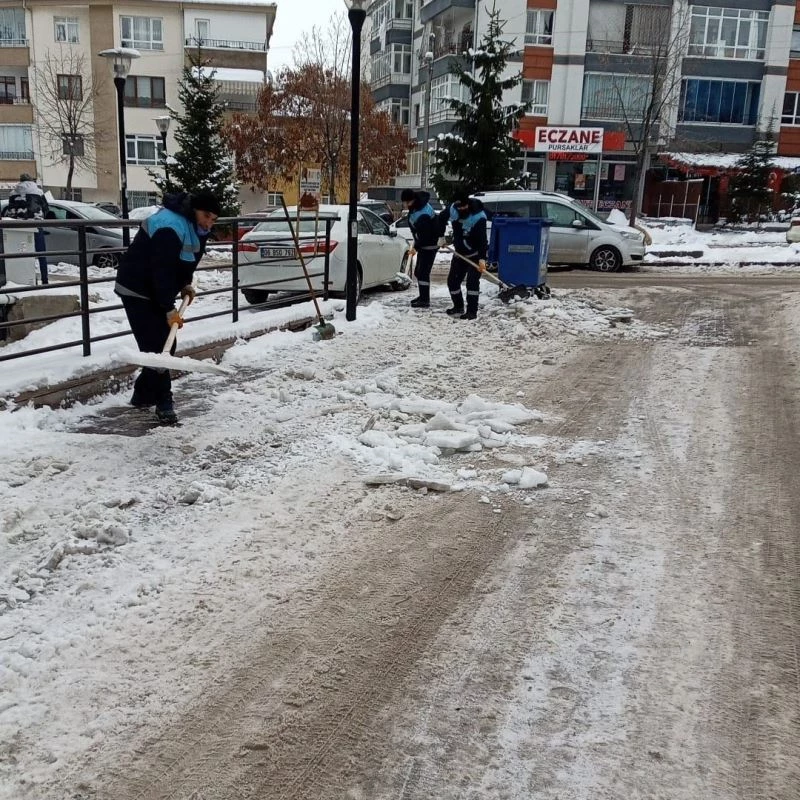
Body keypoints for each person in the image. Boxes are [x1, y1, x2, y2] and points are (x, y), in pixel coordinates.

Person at [115, 191, 221, 425]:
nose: (208, 222)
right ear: (195, 210)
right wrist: (168, 308)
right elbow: (160, 270)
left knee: (165, 346)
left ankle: (142, 395)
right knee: (159, 348)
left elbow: (183, 261)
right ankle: (164, 403)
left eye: (213, 219)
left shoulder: (196, 227)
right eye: (206, 216)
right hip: (137, 289)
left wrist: (184, 284)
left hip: (156, 289)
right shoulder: (169, 226)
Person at [438, 193, 488, 320]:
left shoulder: (478, 217)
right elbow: (441, 219)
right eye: (458, 207)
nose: (460, 210)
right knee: (452, 282)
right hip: (460, 254)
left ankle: (472, 311)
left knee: (472, 282)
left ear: (468, 205)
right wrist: (441, 236)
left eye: (463, 207)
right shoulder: (453, 210)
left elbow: (482, 240)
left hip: (475, 255)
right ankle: (458, 306)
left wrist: (482, 259)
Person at [2, 173, 49, 284]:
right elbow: (46, 208)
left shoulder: (13, 193)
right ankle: (45, 280)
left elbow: (10, 210)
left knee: (21, 254)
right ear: (31, 180)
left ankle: (20, 280)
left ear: (20, 180)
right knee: (41, 253)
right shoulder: (38, 192)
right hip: (36, 224)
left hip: (19, 226)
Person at [400, 188, 441, 308]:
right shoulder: (417, 205)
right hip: (424, 243)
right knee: (419, 272)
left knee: (423, 273)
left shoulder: (422, 213)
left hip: (429, 245)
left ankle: (424, 300)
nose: (405, 205)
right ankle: (423, 296)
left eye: (406, 203)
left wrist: (415, 247)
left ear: (411, 200)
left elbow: (425, 234)